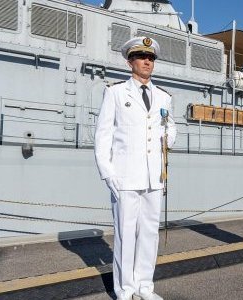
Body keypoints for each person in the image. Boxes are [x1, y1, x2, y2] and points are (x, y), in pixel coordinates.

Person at [94, 36, 176, 300]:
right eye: (142, 57)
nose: (147, 62)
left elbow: (170, 127)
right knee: (125, 236)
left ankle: (145, 286)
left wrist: (168, 138)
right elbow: (103, 135)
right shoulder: (116, 92)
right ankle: (125, 289)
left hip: (154, 176)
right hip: (125, 176)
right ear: (130, 61)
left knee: (149, 235)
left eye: (151, 58)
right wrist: (108, 173)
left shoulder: (163, 96)